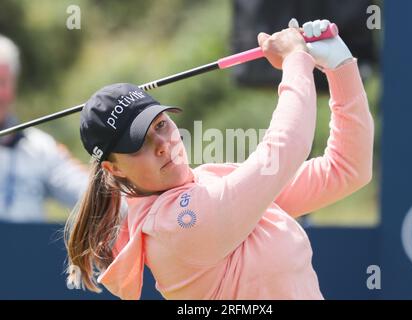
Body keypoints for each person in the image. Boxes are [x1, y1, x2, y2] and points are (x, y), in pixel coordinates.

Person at [65, 19, 374, 299]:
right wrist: (295, 59)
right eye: (139, 144)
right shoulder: (174, 226)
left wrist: (340, 66)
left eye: (160, 125)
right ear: (113, 169)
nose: (162, 144)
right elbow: (286, 147)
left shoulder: (211, 179)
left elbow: (347, 169)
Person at [0, 34, 88, 222]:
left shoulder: (41, 147)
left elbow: (88, 193)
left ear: (14, 86)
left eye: (2, 82)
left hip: (25, 251)